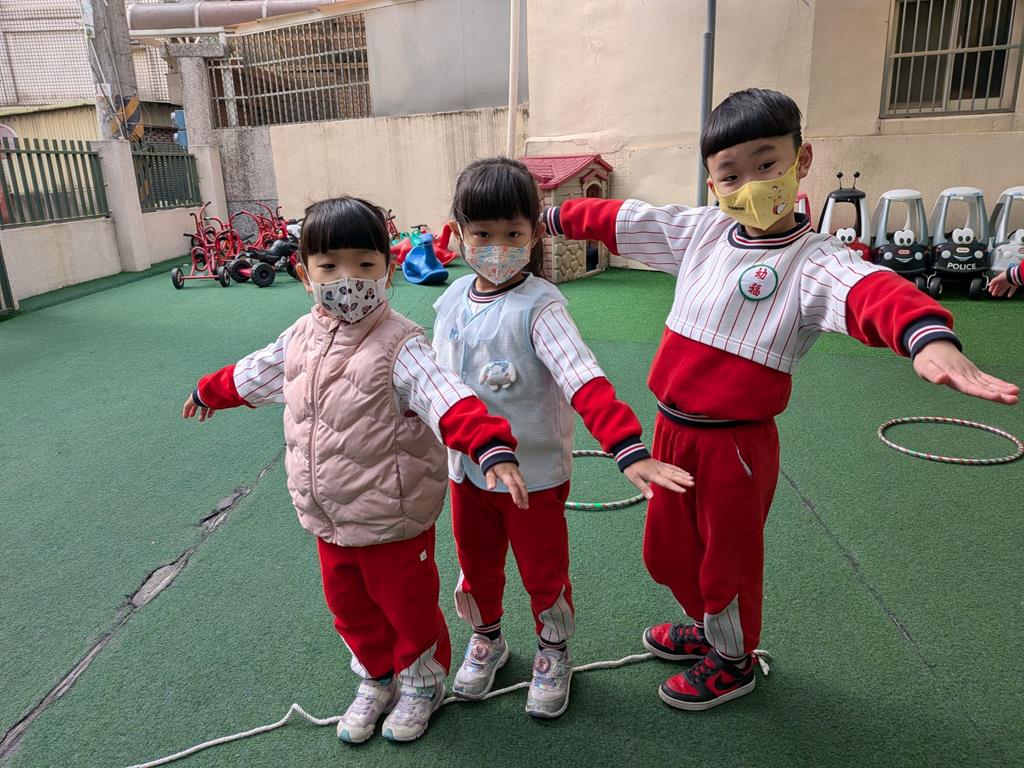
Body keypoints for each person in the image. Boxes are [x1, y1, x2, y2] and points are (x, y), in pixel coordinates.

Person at [544, 88, 1018, 711]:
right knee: (666, 551)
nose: (750, 187)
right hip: (670, 432)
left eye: (766, 164)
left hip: (734, 446)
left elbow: (870, 291)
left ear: (802, 159)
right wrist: (548, 217)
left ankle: (732, 660)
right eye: (730, 175)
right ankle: (708, 627)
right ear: (712, 183)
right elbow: (626, 220)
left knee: (728, 562)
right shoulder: (704, 232)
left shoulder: (813, 261)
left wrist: (925, 335)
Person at [182, 196, 529, 743]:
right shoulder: (299, 337)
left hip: (392, 517)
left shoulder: (401, 345)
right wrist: (210, 391)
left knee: (407, 607)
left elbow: (447, 397)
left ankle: (422, 681)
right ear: (305, 275)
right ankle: (376, 676)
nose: (348, 280)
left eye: (365, 265)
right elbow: (257, 372)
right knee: (350, 608)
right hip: (328, 515)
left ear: (388, 271)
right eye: (329, 266)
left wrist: (489, 445)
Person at [432, 157, 694, 718]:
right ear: (458, 233)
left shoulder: (541, 307)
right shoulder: (450, 301)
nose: (497, 247)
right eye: (482, 234)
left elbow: (583, 379)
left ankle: (553, 648)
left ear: (533, 235)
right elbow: (434, 384)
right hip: (467, 472)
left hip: (534, 477)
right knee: (476, 565)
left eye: (512, 234)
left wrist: (627, 448)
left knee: (541, 570)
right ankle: (488, 637)